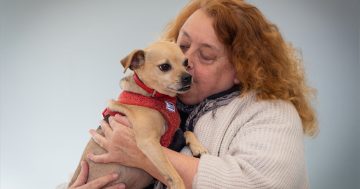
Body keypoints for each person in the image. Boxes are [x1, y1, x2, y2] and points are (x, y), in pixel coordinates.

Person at [69, 0, 318, 188]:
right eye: (183, 46)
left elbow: (260, 184)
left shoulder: (271, 112)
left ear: (242, 69)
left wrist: (143, 154)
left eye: (206, 55)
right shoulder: (159, 98)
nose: (186, 62)